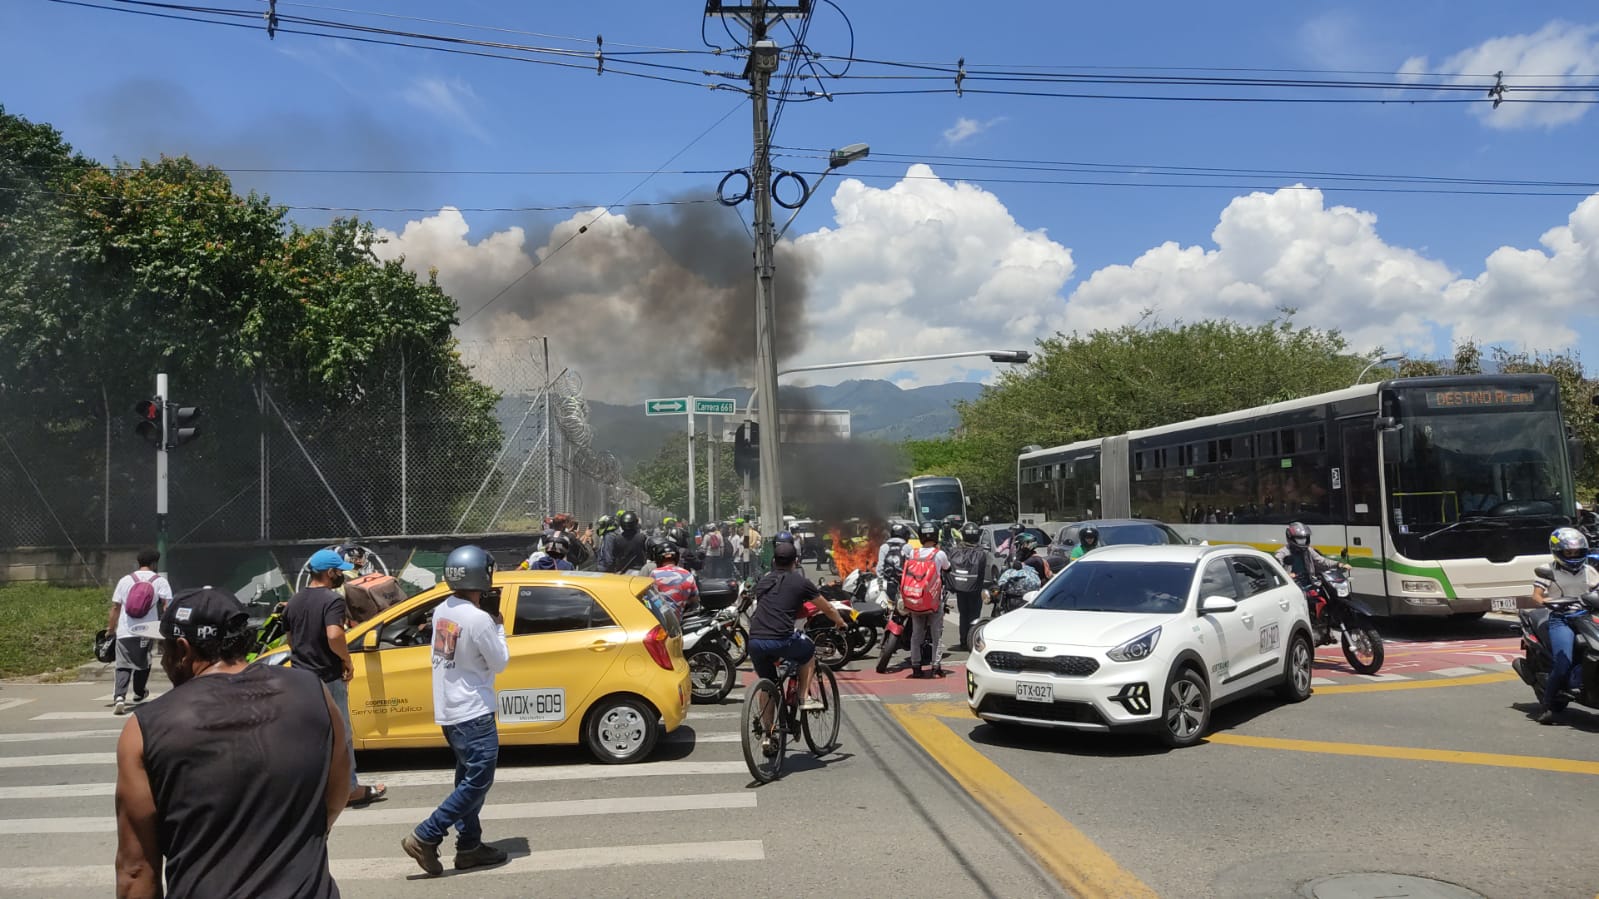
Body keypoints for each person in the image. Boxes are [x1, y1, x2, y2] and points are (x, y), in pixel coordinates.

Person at [115, 588, 348, 899]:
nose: (163, 661)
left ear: (183, 650)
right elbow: (334, 798)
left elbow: (136, 870)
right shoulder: (313, 692)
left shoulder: (145, 727)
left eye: (164, 650)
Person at [402, 545, 511, 876]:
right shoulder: (478, 619)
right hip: (474, 711)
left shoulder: (443, 610)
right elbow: (500, 662)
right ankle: (427, 834)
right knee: (478, 781)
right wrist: (499, 625)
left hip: (451, 710)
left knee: (467, 779)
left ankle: (469, 847)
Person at [286, 549, 387, 808]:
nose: (341, 575)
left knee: (309, 736)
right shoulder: (331, 600)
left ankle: (311, 791)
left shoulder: (295, 601)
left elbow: (290, 640)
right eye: (339, 571)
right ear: (329, 573)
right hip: (327, 677)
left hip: (300, 678)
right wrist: (346, 660)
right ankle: (350, 789)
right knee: (342, 734)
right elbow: (334, 635)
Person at [747, 541, 847, 745]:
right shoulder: (800, 582)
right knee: (808, 650)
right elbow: (826, 607)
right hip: (781, 639)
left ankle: (769, 735)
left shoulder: (764, 582)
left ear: (774, 562)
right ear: (796, 562)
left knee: (768, 684)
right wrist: (840, 622)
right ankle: (803, 697)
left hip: (755, 640)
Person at [1534, 527, 1599, 725]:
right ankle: (1547, 705)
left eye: (1577, 552)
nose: (1573, 555)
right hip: (1561, 619)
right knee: (1562, 662)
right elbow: (1536, 596)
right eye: (1569, 552)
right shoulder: (1548, 570)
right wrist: (1548, 602)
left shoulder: (1589, 571)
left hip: (1587, 616)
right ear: (1558, 551)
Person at [107, 549, 173, 715]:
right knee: (144, 661)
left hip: (125, 630)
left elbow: (116, 607)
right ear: (154, 564)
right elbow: (167, 607)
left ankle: (119, 697)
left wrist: (110, 628)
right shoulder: (160, 581)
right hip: (147, 630)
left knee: (123, 664)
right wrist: (167, 628)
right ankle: (139, 692)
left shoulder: (125, 580)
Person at [902, 522, 951, 678]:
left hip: (915, 598)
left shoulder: (913, 553)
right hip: (934, 601)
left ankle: (916, 667)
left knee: (916, 635)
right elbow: (947, 568)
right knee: (936, 635)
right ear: (936, 536)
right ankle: (936, 667)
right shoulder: (939, 554)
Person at [947, 522, 990, 651]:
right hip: (975, 589)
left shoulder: (955, 550)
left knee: (963, 614)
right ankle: (972, 640)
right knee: (974, 615)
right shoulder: (981, 552)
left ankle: (963, 641)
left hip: (960, 588)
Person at [650, 542, 700, 617]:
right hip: (681, 619)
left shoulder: (653, 574)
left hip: (661, 620)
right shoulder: (687, 574)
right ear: (677, 557)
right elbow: (694, 600)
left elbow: (649, 600)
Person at [876, 522, 913, 605]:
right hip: (904, 585)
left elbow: (880, 568)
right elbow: (912, 568)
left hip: (888, 585)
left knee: (887, 607)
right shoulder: (908, 547)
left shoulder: (884, 547)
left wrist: (881, 586)